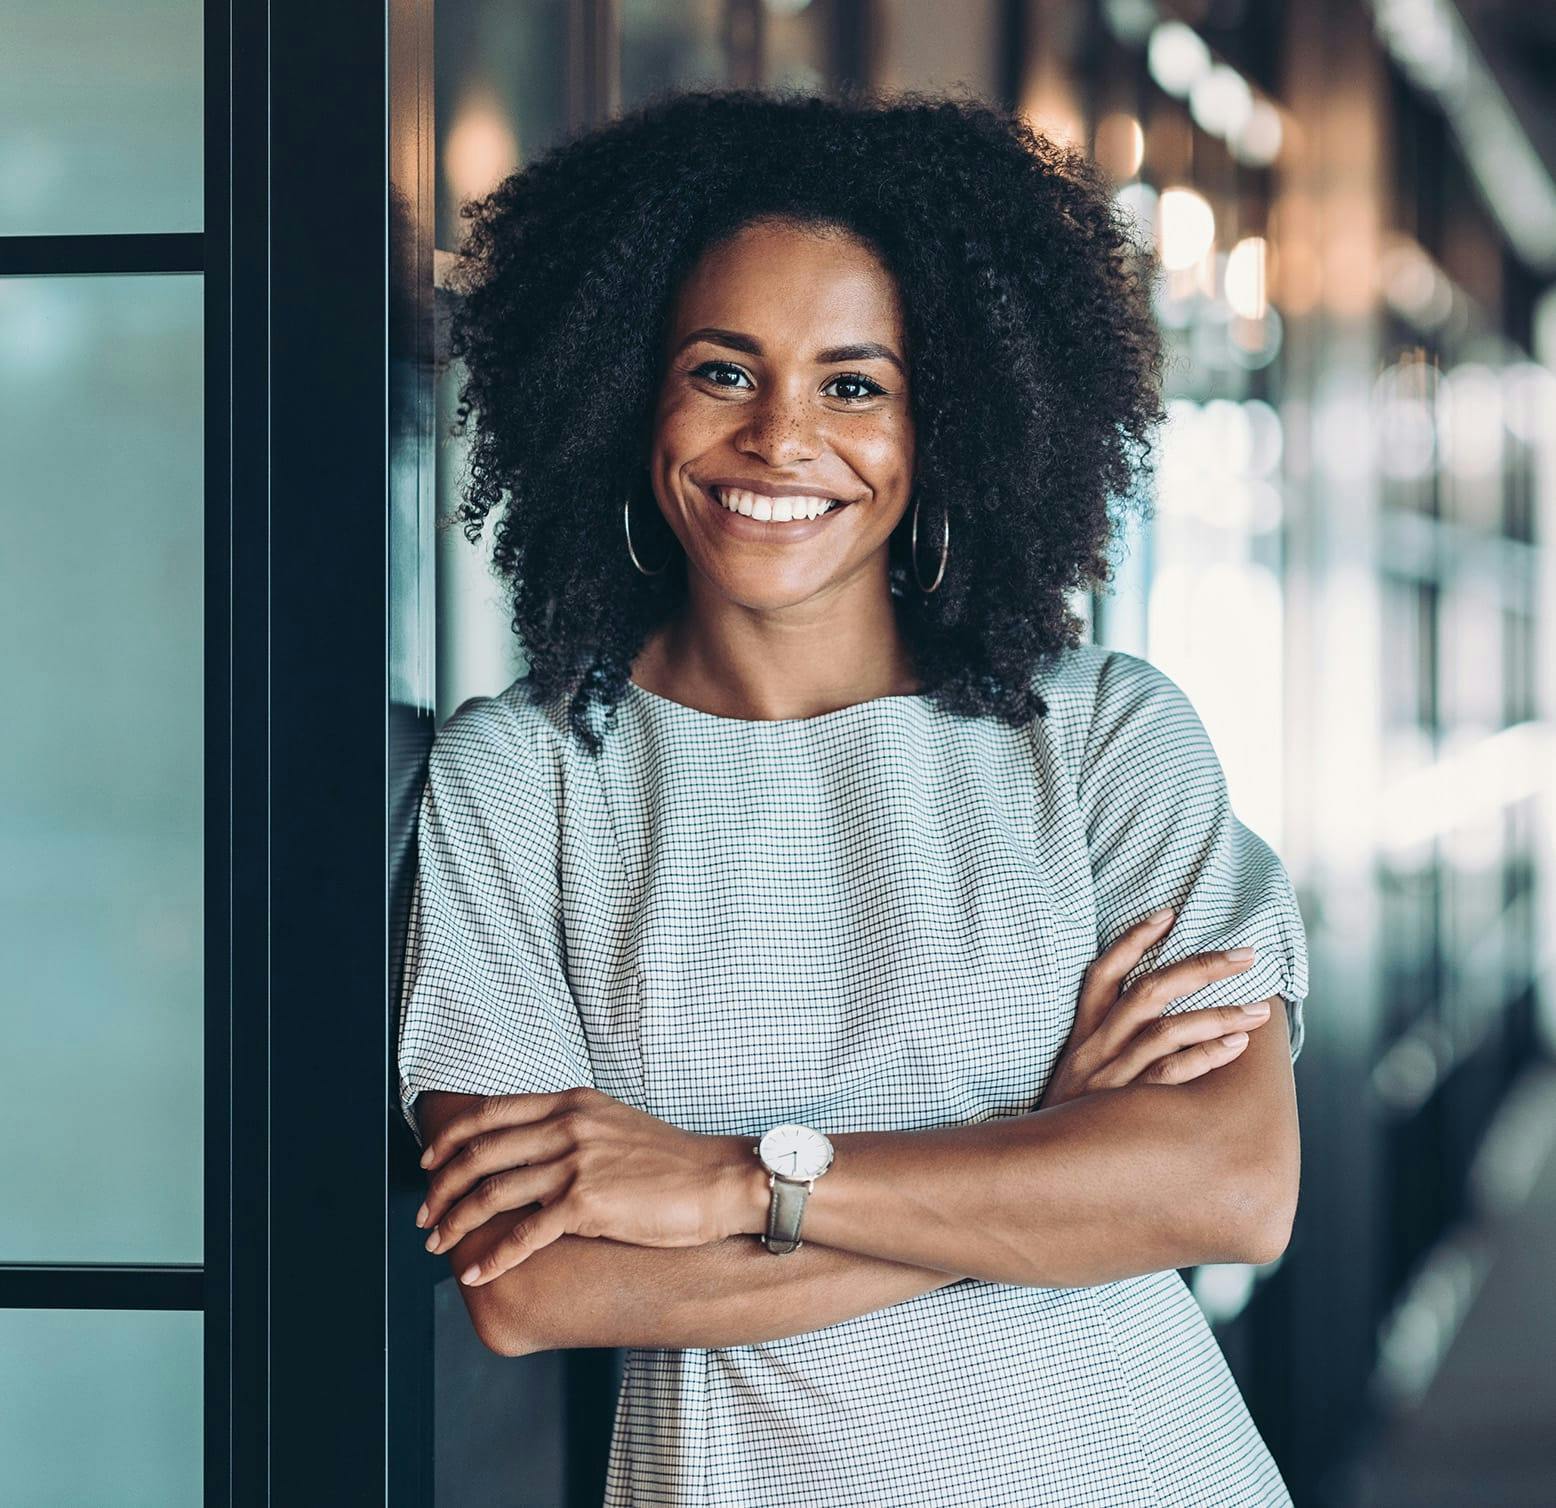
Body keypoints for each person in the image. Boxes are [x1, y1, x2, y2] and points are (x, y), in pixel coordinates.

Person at [396, 87, 1310, 1508]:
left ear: (942, 422)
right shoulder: (521, 785)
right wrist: (1045, 1173)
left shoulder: (1103, 739)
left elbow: (1231, 1190)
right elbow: (538, 1285)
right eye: (720, 369)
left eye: (853, 383)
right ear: (627, 391)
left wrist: (732, 1187)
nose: (779, 436)